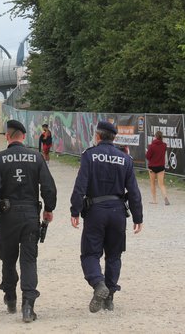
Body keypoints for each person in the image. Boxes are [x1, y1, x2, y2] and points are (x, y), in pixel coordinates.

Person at [0, 120, 57, 323]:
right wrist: (49, 209)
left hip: (7, 215)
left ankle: (10, 296)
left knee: (8, 259)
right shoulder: (36, 157)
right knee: (28, 260)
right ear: (23, 137)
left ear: (7, 136)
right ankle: (28, 306)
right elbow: (49, 187)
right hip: (30, 214)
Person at [70, 121, 143, 313]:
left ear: (97, 136)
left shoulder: (89, 155)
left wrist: (75, 210)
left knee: (90, 253)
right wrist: (138, 217)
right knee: (114, 255)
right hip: (118, 211)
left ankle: (98, 283)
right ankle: (109, 296)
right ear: (114, 137)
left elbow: (80, 185)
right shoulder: (125, 159)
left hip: (95, 211)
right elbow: (134, 191)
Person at [146, 130, 170, 205]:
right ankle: (165, 197)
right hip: (161, 167)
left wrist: (147, 152)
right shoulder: (164, 145)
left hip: (152, 167)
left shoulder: (151, 146)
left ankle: (154, 200)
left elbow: (147, 156)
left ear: (155, 137)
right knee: (161, 184)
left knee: (153, 183)